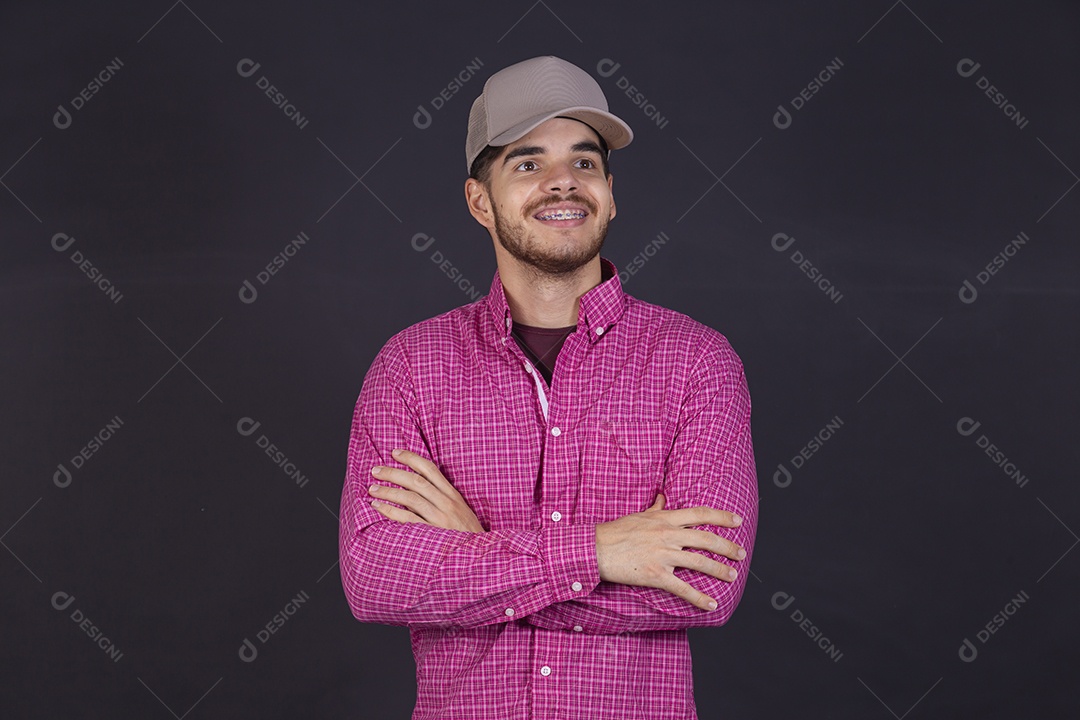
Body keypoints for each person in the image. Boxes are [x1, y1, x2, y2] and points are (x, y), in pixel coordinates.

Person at [339, 55, 758, 720]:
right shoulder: (411, 367)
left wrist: (475, 551)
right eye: (528, 162)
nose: (563, 183)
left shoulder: (697, 361)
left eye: (585, 162)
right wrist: (602, 552)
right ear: (481, 200)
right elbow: (377, 579)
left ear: (612, 193)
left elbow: (706, 584)